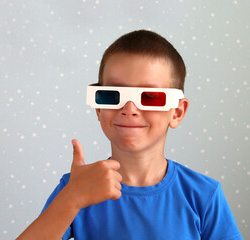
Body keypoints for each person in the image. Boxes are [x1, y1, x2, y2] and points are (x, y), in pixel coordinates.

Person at [17, 30, 243, 239]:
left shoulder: (203, 195)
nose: (129, 108)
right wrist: (72, 198)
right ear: (98, 108)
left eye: (150, 97)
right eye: (112, 95)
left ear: (177, 112)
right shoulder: (77, 187)